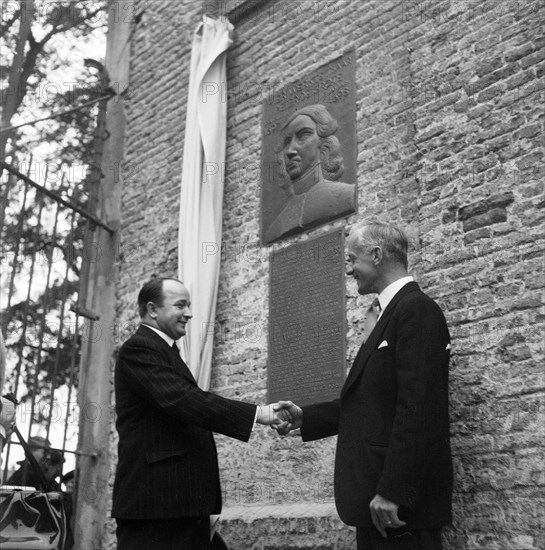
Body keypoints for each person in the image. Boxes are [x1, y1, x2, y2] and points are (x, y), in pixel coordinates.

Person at [276, 220, 453, 549]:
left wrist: (393, 490)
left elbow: (420, 408)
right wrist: (305, 417)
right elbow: (369, 402)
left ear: (376, 254)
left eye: (351, 259)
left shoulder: (417, 310)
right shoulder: (388, 314)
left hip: (399, 509)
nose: (348, 270)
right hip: (378, 504)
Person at [112, 277, 285, 550]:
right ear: (152, 309)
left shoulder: (164, 350)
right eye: (180, 305)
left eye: (190, 305)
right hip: (158, 505)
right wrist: (258, 414)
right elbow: (182, 400)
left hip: (180, 502)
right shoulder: (139, 348)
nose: (190, 313)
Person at [265, 104, 356, 243]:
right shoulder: (275, 229)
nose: (290, 150)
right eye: (287, 142)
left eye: (303, 136)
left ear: (323, 141)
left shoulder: (348, 196)